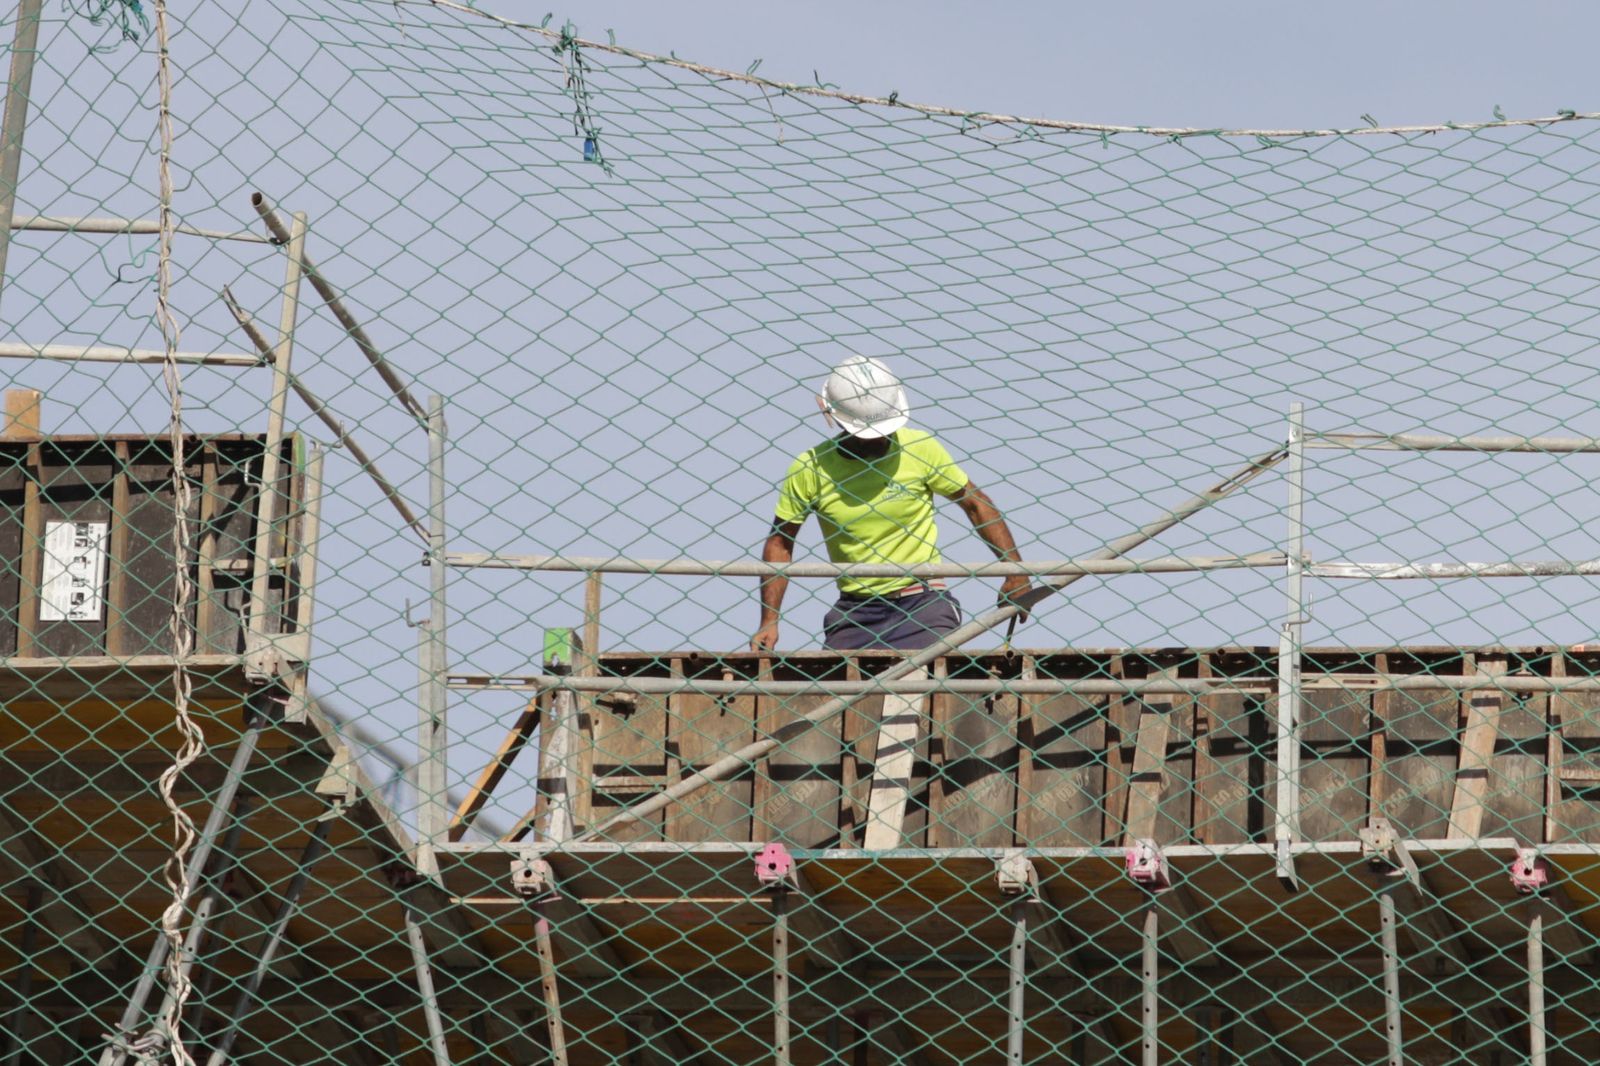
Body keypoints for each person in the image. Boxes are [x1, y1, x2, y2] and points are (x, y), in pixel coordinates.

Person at [750, 355, 1031, 652]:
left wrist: (1016, 572)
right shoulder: (811, 468)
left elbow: (976, 504)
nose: (877, 441)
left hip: (922, 602)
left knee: (928, 688)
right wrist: (769, 621)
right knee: (838, 693)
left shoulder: (921, 449)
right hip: (854, 612)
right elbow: (780, 543)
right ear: (828, 412)